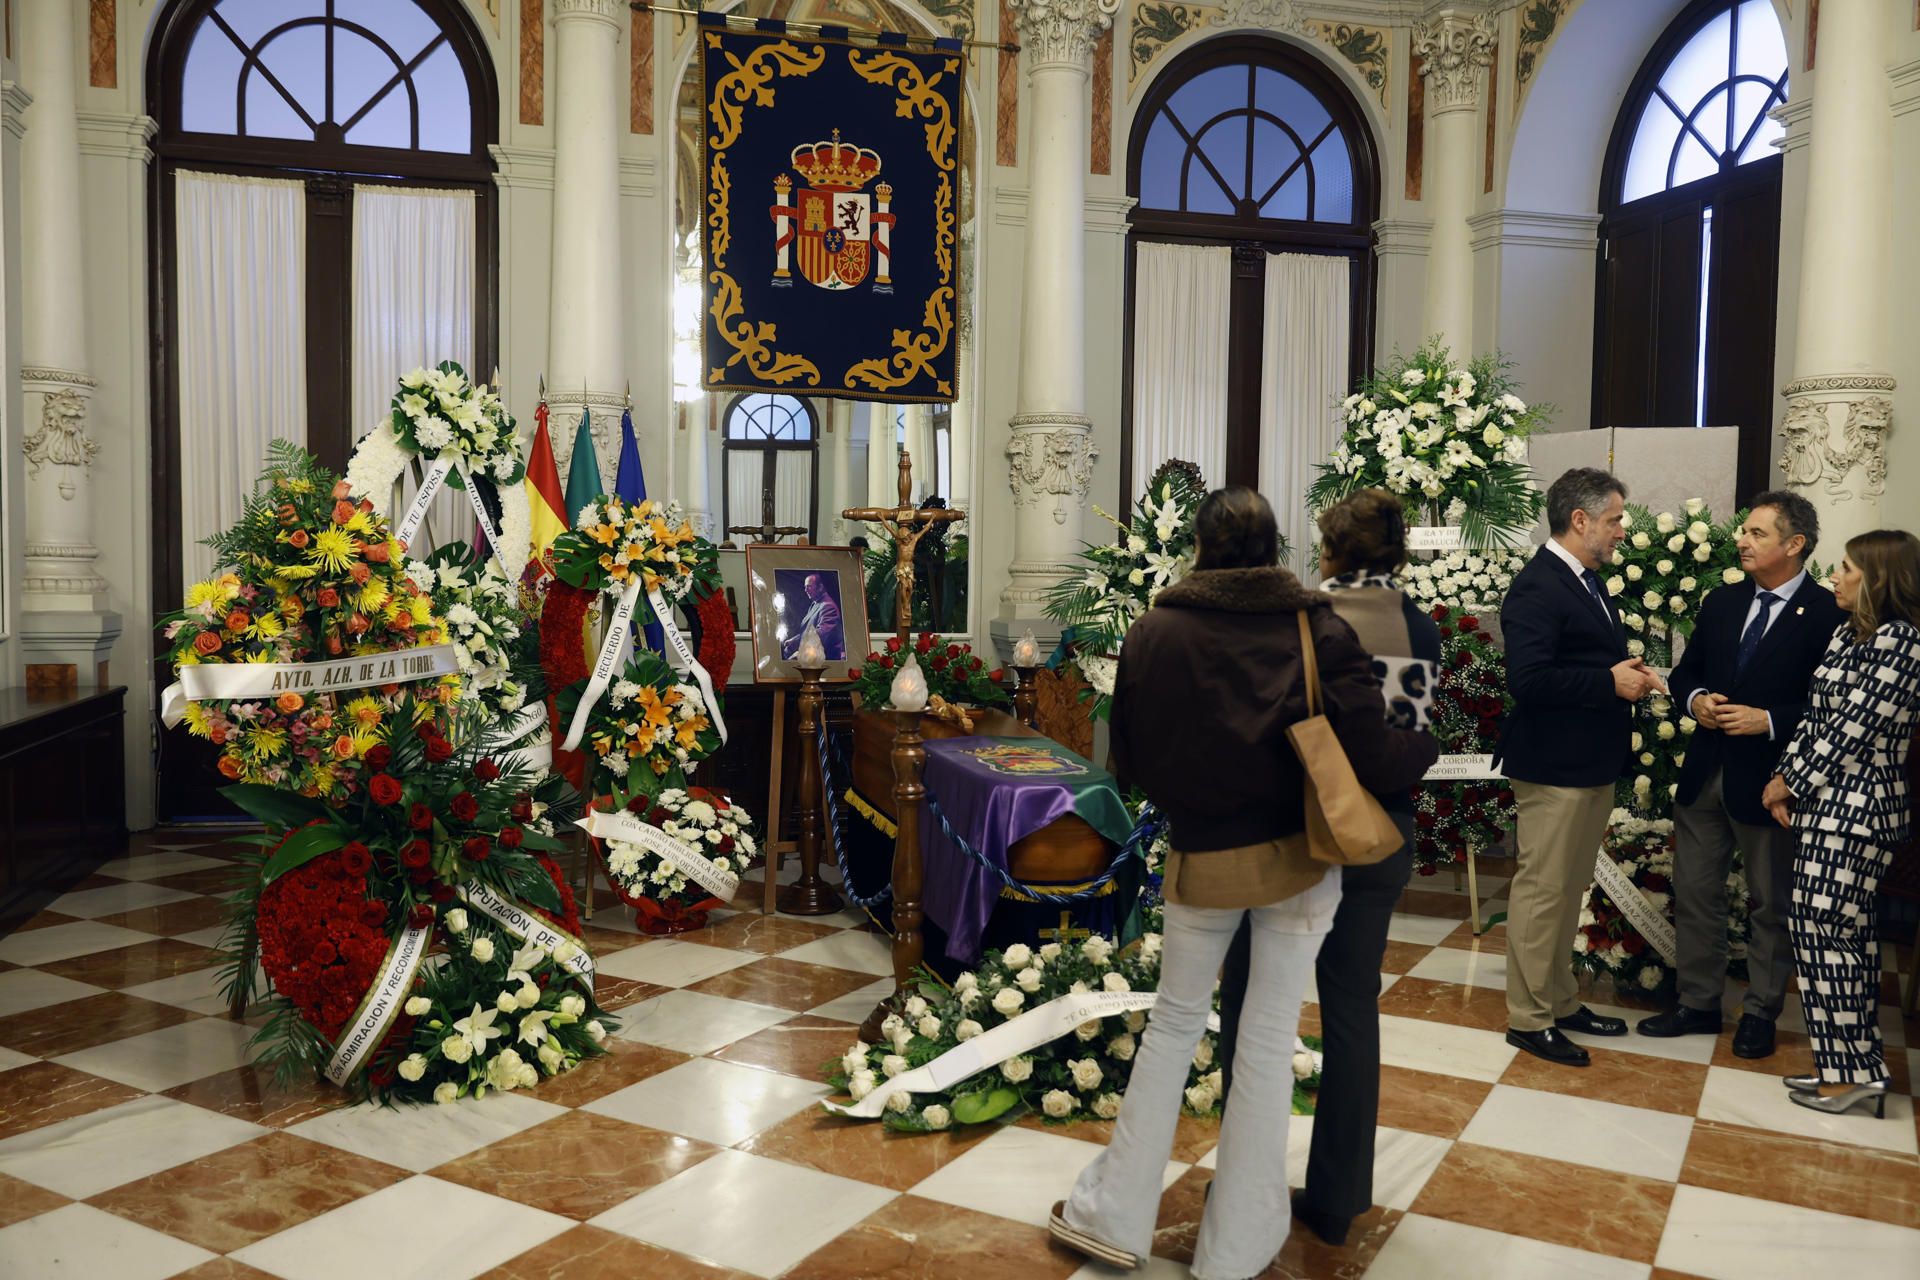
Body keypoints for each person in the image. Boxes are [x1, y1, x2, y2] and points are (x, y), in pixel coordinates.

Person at [1048, 487, 1435, 1280]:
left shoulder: (1156, 629)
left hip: (1204, 857)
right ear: (1275, 549)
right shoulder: (1315, 626)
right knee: (1266, 1038)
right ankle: (1237, 1245)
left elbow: (1131, 756)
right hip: (1301, 861)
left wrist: (1195, 804)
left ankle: (1112, 1216)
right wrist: (1424, 749)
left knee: (1173, 1027)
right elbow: (1370, 750)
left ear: (1199, 546)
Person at [1213, 488, 1440, 1248]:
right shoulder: (1419, 624)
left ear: (1331, 549)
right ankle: (1338, 1198)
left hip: (1295, 832)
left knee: (1251, 1001)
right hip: (1379, 831)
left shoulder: (1302, 618)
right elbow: (1408, 738)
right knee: (1351, 1010)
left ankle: (1243, 1177)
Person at [1638, 492, 1844, 1057]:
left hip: (1773, 783)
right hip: (1706, 772)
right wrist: (1696, 700)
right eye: (1744, 531)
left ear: (1794, 544)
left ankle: (1760, 1012)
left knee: (1770, 904)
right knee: (1696, 892)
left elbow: (1835, 706)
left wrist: (1769, 720)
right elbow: (1687, 673)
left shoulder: (1828, 613)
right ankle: (1698, 1004)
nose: (1742, 541)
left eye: (1756, 533)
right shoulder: (1724, 601)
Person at [1498, 468, 1666, 1068]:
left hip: (1587, 763)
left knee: (1568, 893)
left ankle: (1560, 1001)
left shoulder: (1586, 579)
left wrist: (1624, 673)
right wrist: (1606, 681)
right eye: (1615, 519)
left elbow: (1582, 658)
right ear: (1580, 520)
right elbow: (1528, 680)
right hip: (1553, 767)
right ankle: (1529, 1018)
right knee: (1543, 894)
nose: (1622, 530)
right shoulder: (1538, 585)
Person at [1762, 530, 1920, 1118]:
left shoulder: (1903, 642)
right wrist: (1784, 777)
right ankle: (1844, 1067)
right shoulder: (1848, 633)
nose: (1835, 574)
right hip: (1826, 806)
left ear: (1878, 578)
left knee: (1831, 939)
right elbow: (1815, 719)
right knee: (1824, 938)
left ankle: (1854, 1073)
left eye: (1848, 567)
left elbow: (1855, 730)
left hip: (1859, 812)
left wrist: (1791, 782)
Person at [781, 572, 844, 659]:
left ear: (820, 587)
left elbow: (821, 636)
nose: (806, 590)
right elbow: (809, 630)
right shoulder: (815, 604)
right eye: (805, 587)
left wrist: (798, 645)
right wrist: (794, 640)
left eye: (809, 586)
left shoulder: (828, 606)